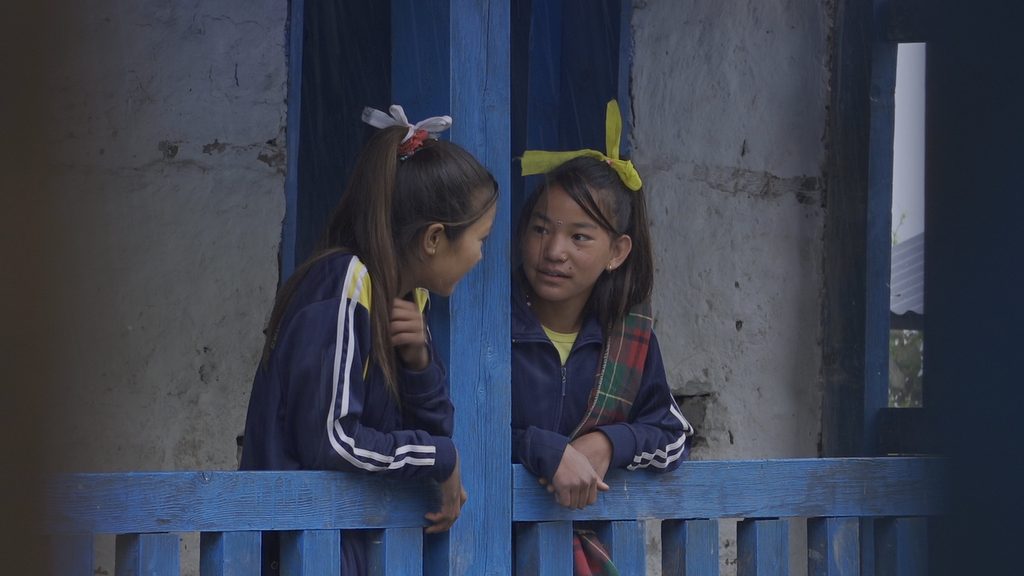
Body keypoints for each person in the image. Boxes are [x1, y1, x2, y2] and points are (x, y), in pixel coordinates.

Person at [240, 105, 498, 574]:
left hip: (352, 551)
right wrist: (440, 457)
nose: (481, 255)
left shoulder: (404, 303)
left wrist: (420, 364)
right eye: (481, 239)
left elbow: (433, 431)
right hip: (304, 552)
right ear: (435, 238)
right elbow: (332, 441)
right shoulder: (343, 284)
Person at [513, 100, 693, 574]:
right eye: (540, 229)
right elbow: (454, 432)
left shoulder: (627, 340)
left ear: (617, 251)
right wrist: (546, 451)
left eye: (579, 237)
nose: (553, 251)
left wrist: (609, 444)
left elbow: (674, 436)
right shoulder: (491, 329)